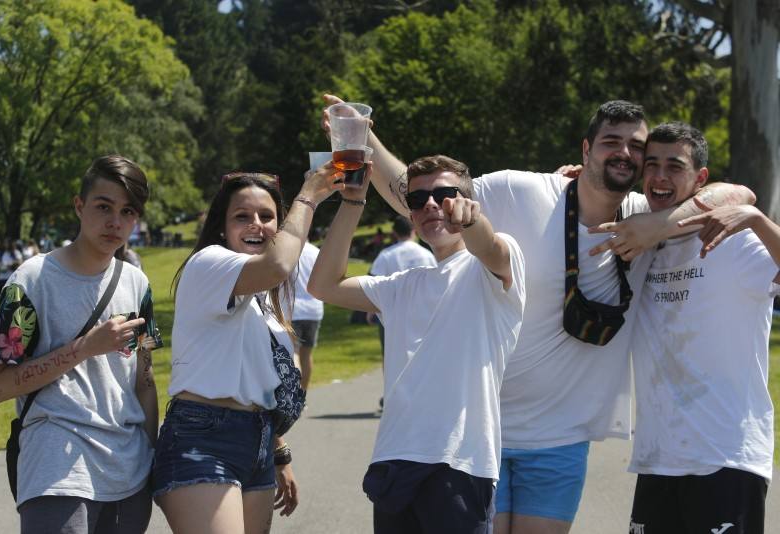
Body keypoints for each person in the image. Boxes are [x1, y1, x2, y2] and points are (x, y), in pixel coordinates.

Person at [322, 95, 756, 533]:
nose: (624, 152)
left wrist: (660, 226)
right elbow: (420, 195)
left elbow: (735, 193)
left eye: (636, 146)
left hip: (561, 440)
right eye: (611, 141)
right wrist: (365, 137)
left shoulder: (647, 214)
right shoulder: (520, 190)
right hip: (483, 432)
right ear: (586, 151)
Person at [309, 155, 526, 534]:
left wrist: (472, 221)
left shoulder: (491, 266)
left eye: (445, 195)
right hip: (394, 459)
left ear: (469, 201)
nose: (430, 204)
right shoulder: (402, 284)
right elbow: (322, 286)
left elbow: (489, 247)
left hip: (458, 463)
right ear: (410, 215)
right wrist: (352, 201)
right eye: (417, 199)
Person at [592, 122, 776, 534]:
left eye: (674, 166)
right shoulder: (641, 242)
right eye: (651, 164)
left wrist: (756, 219)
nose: (659, 176)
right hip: (659, 459)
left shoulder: (735, 240)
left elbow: (741, 197)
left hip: (726, 457)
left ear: (700, 179)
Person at [151, 166, 342, 534]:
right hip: (202, 438)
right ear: (222, 227)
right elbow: (279, 264)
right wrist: (308, 196)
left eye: (267, 216)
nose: (257, 224)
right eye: (243, 216)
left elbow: (257, 378)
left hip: (258, 440)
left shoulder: (261, 298)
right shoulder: (209, 263)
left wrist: (279, 452)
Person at [0, 154, 162, 533]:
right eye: (103, 207)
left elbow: (144, 382)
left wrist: (152, 452)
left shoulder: (138, 284)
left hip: (129, 472)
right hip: (56, 469)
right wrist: (83, 348)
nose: (115, 222)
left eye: (127, 211)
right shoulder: (30, 281)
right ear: (79, 206)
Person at [367, 215, 436, 408]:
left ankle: (391, 394)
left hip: (392, 313)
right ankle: (421, 392)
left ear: (394, 233)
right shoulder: (426, 254)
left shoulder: (387, 255)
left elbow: (374, 282)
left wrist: (370, 311)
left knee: (390, 355)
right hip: (424, 311)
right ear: (414, 230)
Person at [283, 239, 324, 392]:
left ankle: (294, 396)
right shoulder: (316, 252)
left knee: (294, 354)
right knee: (306, 355)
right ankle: (303, 393)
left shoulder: (287, 251)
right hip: (314, 309)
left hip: (292, 309)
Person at [0, 238, 23, 303]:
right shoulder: (1, 253)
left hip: (11, 278)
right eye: (4, 243)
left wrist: (9, 266)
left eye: (6, 243)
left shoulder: (15, 252)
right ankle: (1, 309)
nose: (5, 244)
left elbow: (20, 263)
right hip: (2, 278)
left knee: (11, 297)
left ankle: (9, 311)